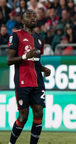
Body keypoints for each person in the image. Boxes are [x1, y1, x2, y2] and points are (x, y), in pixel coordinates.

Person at [6, 9, 51, 144]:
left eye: (34, 16)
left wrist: (43, 69)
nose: (33, 18)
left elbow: (35, 61)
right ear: (22, 20)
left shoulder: (40, 39)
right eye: (29, 16)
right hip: (22, 81)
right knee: (23, 117)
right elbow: (9, 60)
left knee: (39, 113)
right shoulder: (16, 35)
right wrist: (25, 56)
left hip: (37, 82)